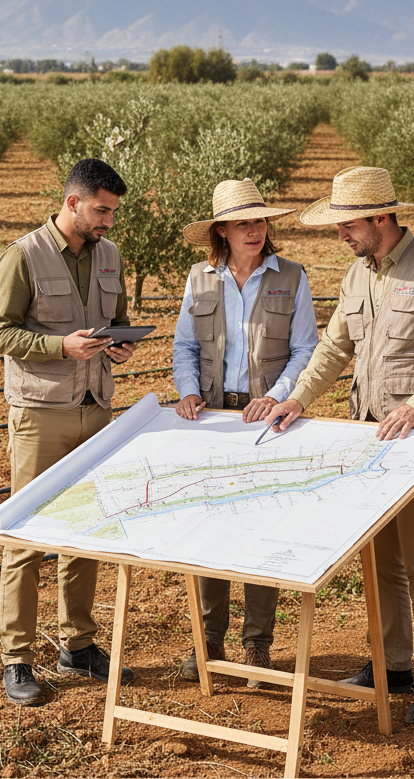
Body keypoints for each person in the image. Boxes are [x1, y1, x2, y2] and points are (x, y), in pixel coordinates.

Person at [264, 166, 414, 726]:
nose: (341, 235)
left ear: (381, 218)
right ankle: (393, 665)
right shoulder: (359, 275)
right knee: (381, 557)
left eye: (348, 225)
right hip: (369, 437)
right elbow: (335, 348)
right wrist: (299, 399)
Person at [0, 158, 137, 706]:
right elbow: (0, 333)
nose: (108, 222)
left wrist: (120, 344)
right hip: (40, 413)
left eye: (113, 212)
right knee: (26, 534)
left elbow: (117, 318)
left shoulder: (110, 255)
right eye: (101, 210)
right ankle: (17, 659)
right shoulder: (22, 256)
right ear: (71, 202)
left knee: (85, 531)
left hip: (95, 408)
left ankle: (77, 645)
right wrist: (60, 346)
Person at [173, 178, 318, 687]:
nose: (255, 230)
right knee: (209, 530)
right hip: (212, 419)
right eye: (243, 223)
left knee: (264, 531)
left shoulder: (292, 277)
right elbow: (185, 348)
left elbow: (305, 351)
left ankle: (258, 647)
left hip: (268, 423)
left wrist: (277, 396)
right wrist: (188, 391)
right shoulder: (199, 279)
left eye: (260, 221)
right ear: (223, 232)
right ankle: (207, 641)